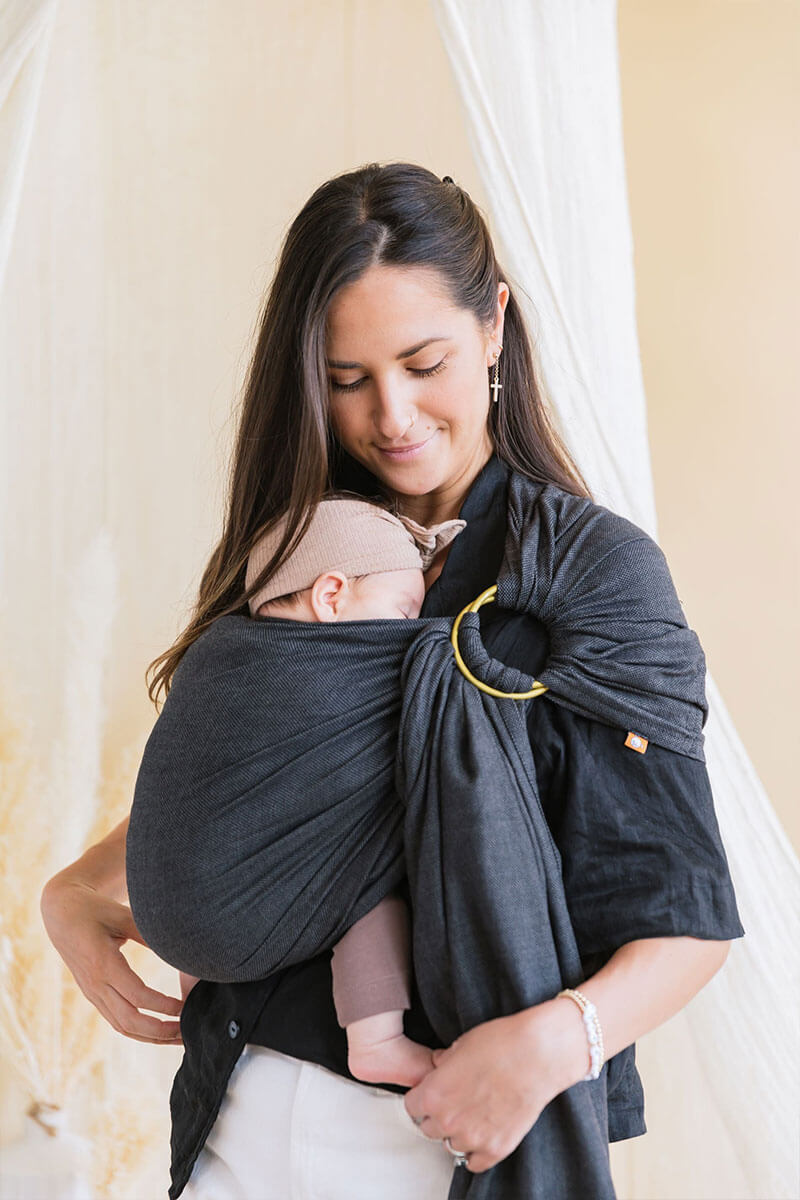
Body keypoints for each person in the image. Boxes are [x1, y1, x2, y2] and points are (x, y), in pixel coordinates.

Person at [40, 162, 745, 1200]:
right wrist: (76, 894)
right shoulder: (305, 548)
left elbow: (683, 912)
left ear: (494, 323)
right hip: (227, 1110)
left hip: (434, 1136)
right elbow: (247, 789)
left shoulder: (585, 576)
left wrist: (553, 1046)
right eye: (346, 378)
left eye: (424, 363)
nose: (392, 417)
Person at [152, 492, 467, 1089]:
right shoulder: (328, 674)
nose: (412, 628)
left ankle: (198, 990)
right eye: (403, 612)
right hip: (237, 923)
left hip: (168, 922)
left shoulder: (217, 655)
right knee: (367, 866)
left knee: (207, 840)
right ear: (331, 596)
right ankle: (377, 1040)